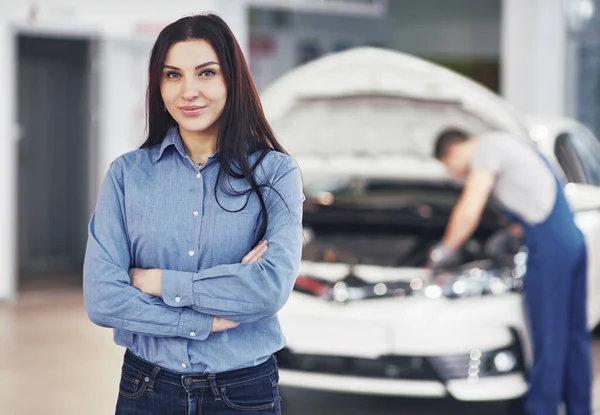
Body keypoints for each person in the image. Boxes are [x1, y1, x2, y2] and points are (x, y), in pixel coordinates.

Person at [83, 13, 304, 415]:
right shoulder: (127, 175)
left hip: (243, 392)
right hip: (144, 388)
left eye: (206, 73)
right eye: (173, 75)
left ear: (231, 80)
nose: (189, 91)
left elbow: (268, 290)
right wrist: (205, 318)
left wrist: (155, 282)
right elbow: (103, 300)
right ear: (159, 86)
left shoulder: (275, 174)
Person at [429, 129, 591, 415]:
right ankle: (580, 409)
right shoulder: (509, 143)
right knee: (573, 338)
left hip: (550, 247)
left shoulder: (485, 149)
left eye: (449, 168)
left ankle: (542, 410)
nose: (454, 175)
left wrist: (441, 252)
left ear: (453, 152)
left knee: (548, 339)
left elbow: (469, 209)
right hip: (572, 242)